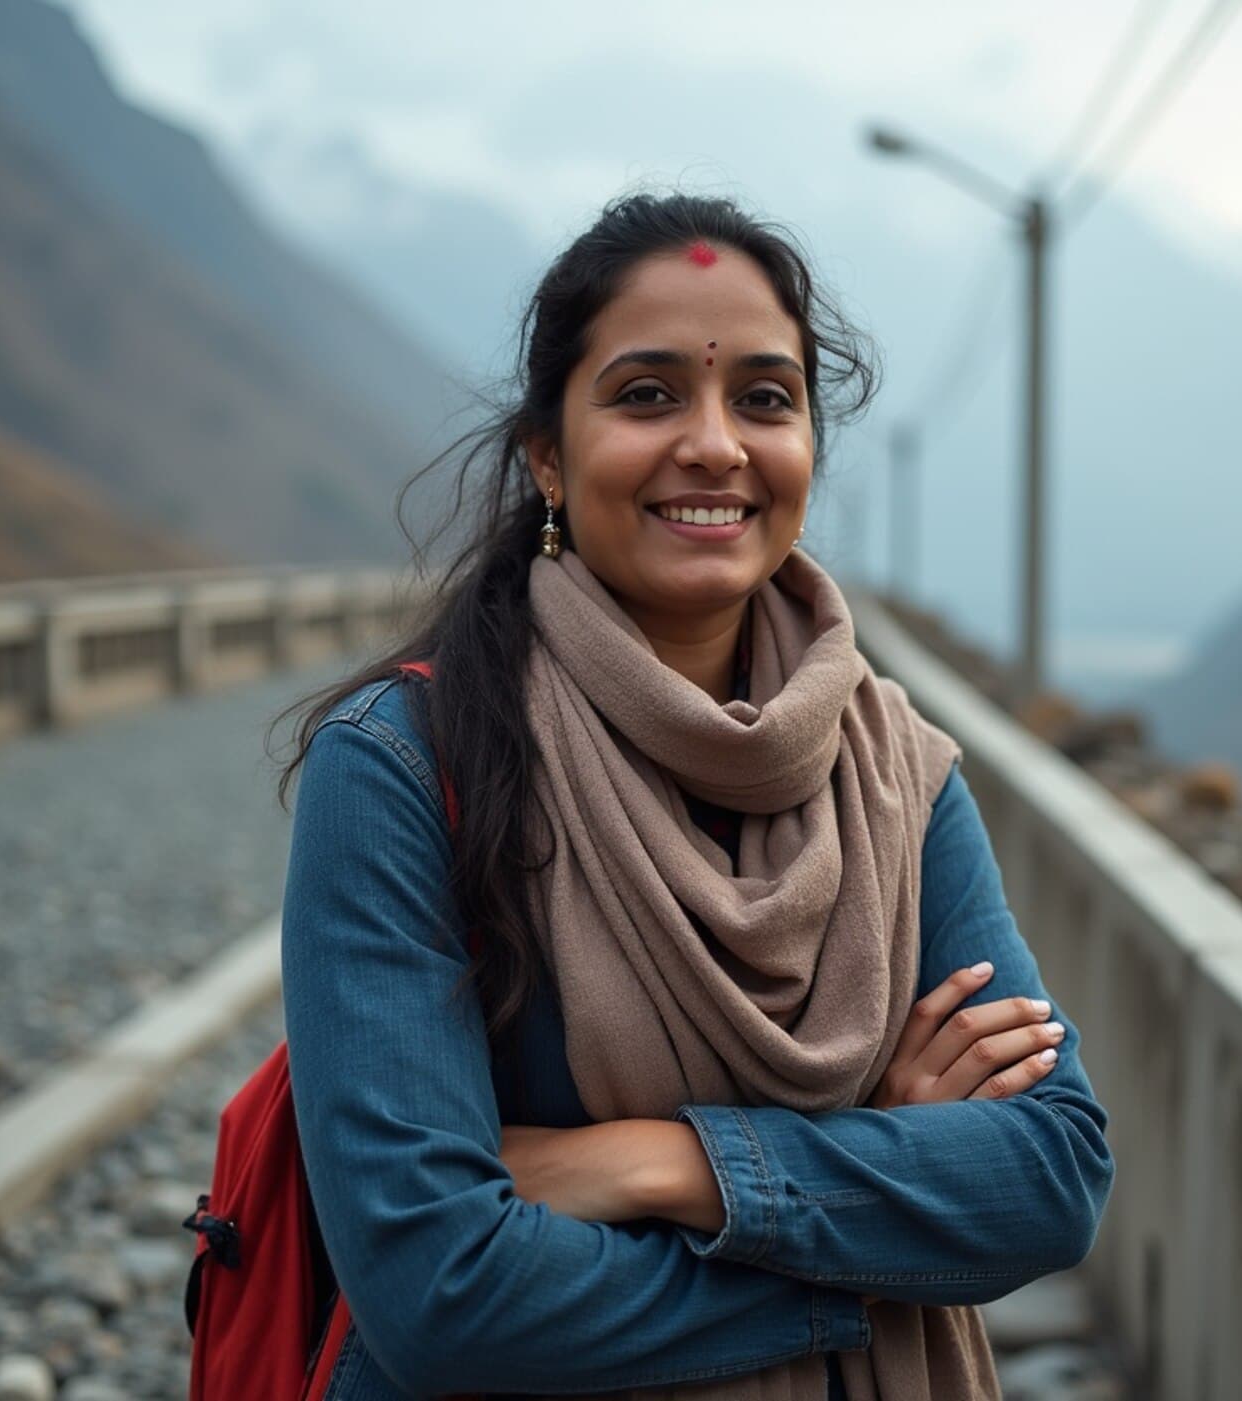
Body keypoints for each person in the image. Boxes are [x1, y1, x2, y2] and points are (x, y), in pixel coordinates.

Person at [273, 190, 1114, 1401]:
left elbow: (1046, 1176)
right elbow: (442, 1293)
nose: (715, 443)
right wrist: (879, 1219)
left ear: (809, 451)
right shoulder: (408, 765)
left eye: (764, 399)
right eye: (647, 393)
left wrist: (663, 1167)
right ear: (547, 456)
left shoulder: (892, 770)